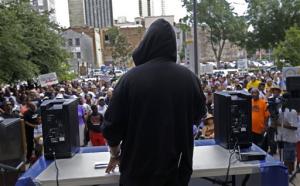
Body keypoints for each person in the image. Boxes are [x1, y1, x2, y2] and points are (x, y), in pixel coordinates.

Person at [103, 19, 206, 186]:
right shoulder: (190, 79)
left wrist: (115, 154)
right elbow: (197, 117)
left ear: (147, 43)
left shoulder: (129, 79)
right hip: (176, 172)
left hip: (137, 173)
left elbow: (112, 128)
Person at [276, 93, 299, 174]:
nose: (282, 101)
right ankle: (287, 173)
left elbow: (295, 127)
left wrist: (281, 125)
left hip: (290, 139)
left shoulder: (293, 111)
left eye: (284, 100)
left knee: (288, 159)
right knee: (283, 158)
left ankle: (288, 174)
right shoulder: (279, 110)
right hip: (281, 137)